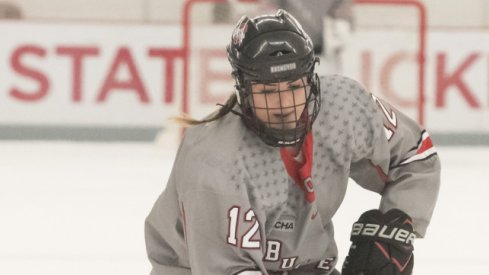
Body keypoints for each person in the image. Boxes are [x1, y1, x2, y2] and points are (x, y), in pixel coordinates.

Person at [145, 10, 440, 275]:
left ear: (311, 80)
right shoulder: (215, 161)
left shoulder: (345, 107)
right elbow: (228, 269)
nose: (285, 104)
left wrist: (396, 226)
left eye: (295, 87)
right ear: (243, 90)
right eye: (267, 92)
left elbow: (414, 155)